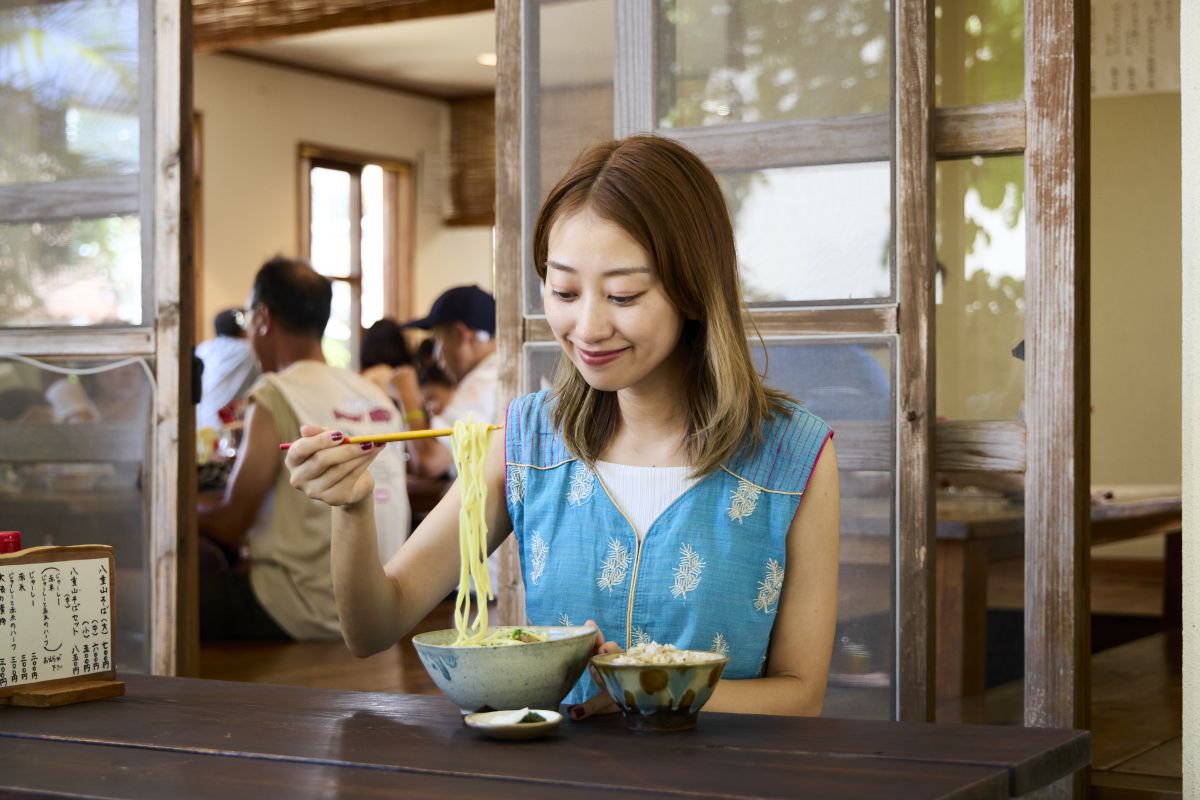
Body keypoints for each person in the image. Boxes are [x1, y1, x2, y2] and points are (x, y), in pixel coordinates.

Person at [283, 136, 840, 717]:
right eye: (564, 291)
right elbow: (373, 627)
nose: (588, 327)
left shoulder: (792, 454)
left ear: (694, 290)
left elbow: (801, 695)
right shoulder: (526, 442)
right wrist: (351, 509)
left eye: (623, 294)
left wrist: (646, 689)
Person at [197, 257, 411, 641]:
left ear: (263, 318)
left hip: (304, 606)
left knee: (164, 593)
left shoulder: (275, 393)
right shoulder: (372, 392)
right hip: (381, 605)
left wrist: (176, 508)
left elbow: (231, 525)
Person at [392, 285, 499, 479]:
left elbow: (430, 461)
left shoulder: (484, 381)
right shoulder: (499, 372)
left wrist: (407, 396)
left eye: (439, 340)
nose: (437, 355)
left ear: (461, 334)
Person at [195, 307, 260, 432]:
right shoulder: (248, 351)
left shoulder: (203, 348)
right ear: (244, 329)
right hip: (222, 429)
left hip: (199, 426)